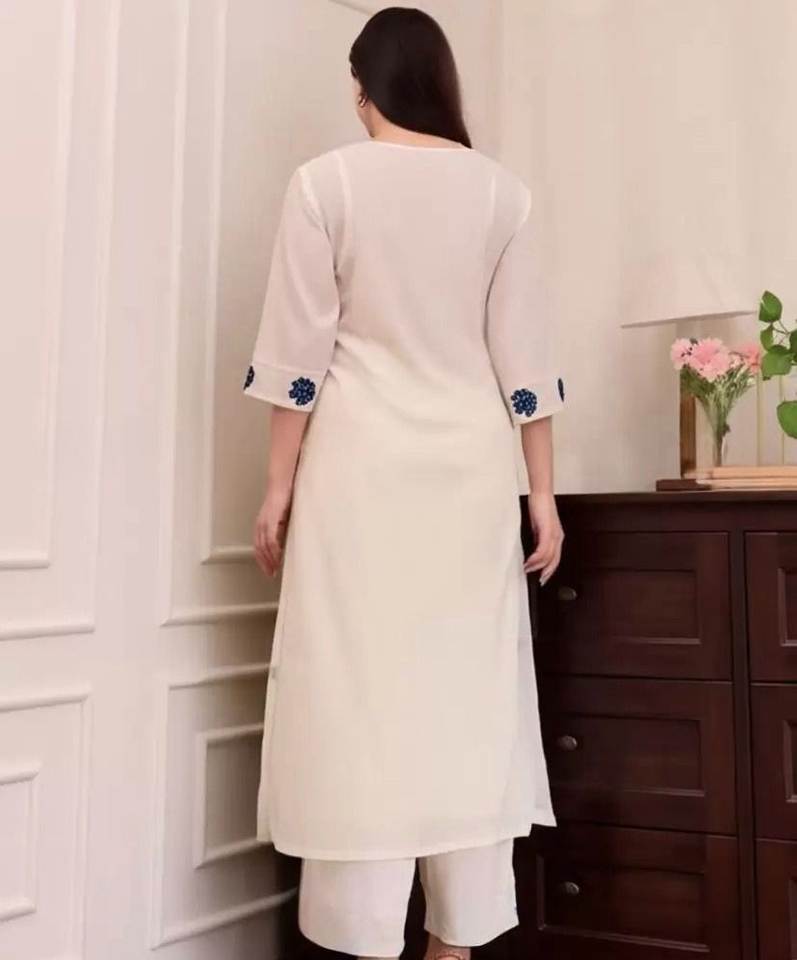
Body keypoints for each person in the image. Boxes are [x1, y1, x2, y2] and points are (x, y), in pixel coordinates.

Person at [243, 7, 565, 959]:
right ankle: (454, 941)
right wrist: (541, 499)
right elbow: (526, 365)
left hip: (357, 478)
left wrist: (275, 489)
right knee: (466, 699)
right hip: (467, 481)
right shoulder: (502, 195)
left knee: (358, 701)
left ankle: (359, 936)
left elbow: (296, 359)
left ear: (363, 88)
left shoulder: (325, 184)